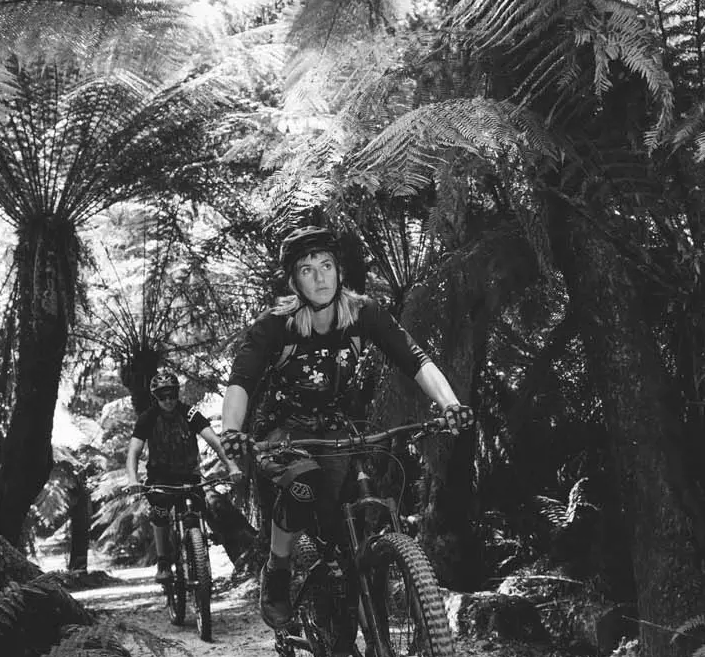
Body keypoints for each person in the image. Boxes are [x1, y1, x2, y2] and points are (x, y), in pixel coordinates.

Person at [218, 225, 474, 628]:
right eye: (307, 270)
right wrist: (232, 430)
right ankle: (278, 570)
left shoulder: (363, 314)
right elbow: (242, 380)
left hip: (338, 426)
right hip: (283, 430)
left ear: (340, 271)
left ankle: (365, 625)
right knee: (301, 486)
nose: (320, 277)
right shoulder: (275, 325)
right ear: (293, 281)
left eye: (326, 266)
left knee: (351, 515)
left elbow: (415, 359)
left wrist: (450, 404)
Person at [125, 368, 240, 584]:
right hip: (160, 478)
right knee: (159, 513)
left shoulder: (190, 414)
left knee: (200, 509)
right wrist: (133, 479)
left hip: (189, 475)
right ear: (155, 397)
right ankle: (163, 562)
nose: (168, 400)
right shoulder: (148, 418)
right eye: (162, 396)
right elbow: (133, 451)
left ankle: (200, 550)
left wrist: (232, 466)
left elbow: (214, 442)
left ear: (178, 393)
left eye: (172, 394)